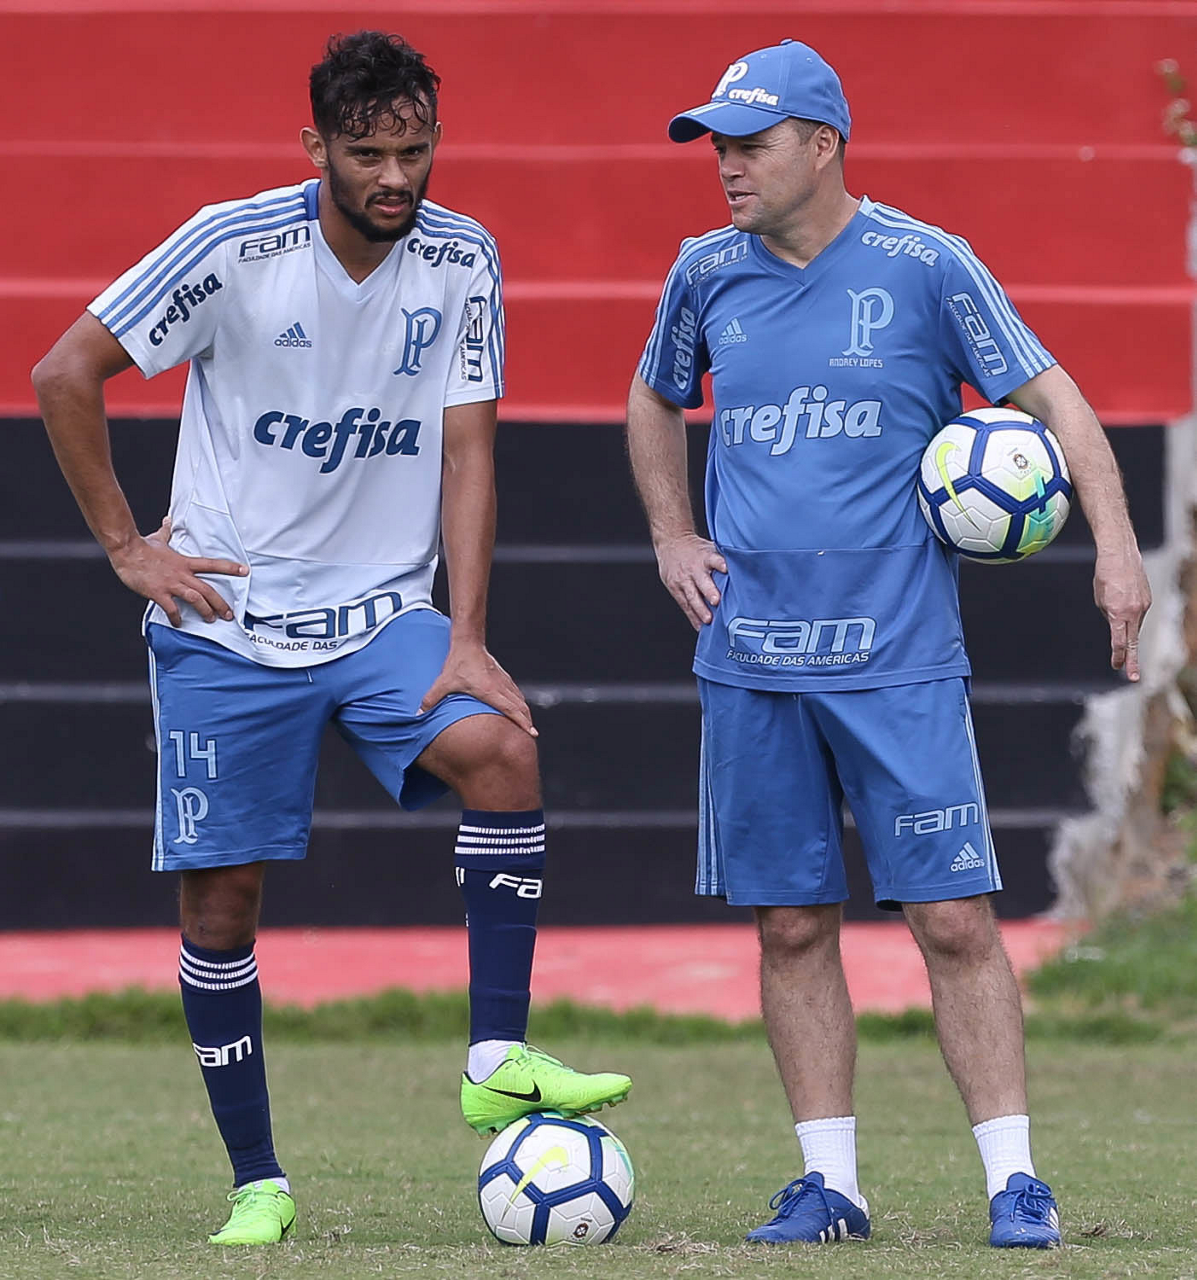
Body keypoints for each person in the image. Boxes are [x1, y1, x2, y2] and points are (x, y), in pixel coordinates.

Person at [32, 30, 630, 1247]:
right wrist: (128, 547)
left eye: (415, 150)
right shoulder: (231, 247)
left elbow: (469, 450)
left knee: (503, 748)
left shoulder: (463, 257)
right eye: (368, 155)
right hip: (227, 624)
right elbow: (64, 373)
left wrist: (468, 634)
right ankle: (258, 1178)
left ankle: (497, 1058)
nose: (395, 177)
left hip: (381, 616)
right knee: (223, 905)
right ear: (315, 147)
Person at [627, 38, 1149, 1249]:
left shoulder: (927, 265)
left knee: (955, 920)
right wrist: (671, 532)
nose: (727, 166)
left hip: (899, 657)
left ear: (823, 146)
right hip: (752, 658)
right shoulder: (703, 271)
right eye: (717, 147)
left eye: (751, 145)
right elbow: (655, 395)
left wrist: (1116, 547)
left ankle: (1016, 1183)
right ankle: (831, 1185)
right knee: (789, 922)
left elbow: (1059, 404)